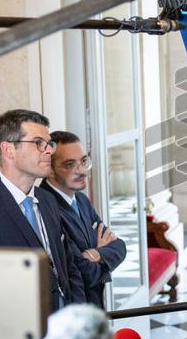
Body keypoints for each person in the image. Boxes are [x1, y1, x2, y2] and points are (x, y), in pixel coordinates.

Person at [0, 109, 85, 311]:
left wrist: (77, 312)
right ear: (8, 150)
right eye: (39, 143)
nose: (49, 150)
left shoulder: (47, 200)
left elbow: (68, 266)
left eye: (49, 144)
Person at [39, 131, 126, 309]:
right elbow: (82, 272)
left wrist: (94, 254)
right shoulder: (45, 207)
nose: (82, 171)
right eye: (70, 164)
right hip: (75, 312)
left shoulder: (81, 200)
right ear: (49, 170)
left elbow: (120, 246)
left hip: (95, 305)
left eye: (84, 161)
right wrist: (101, 253)